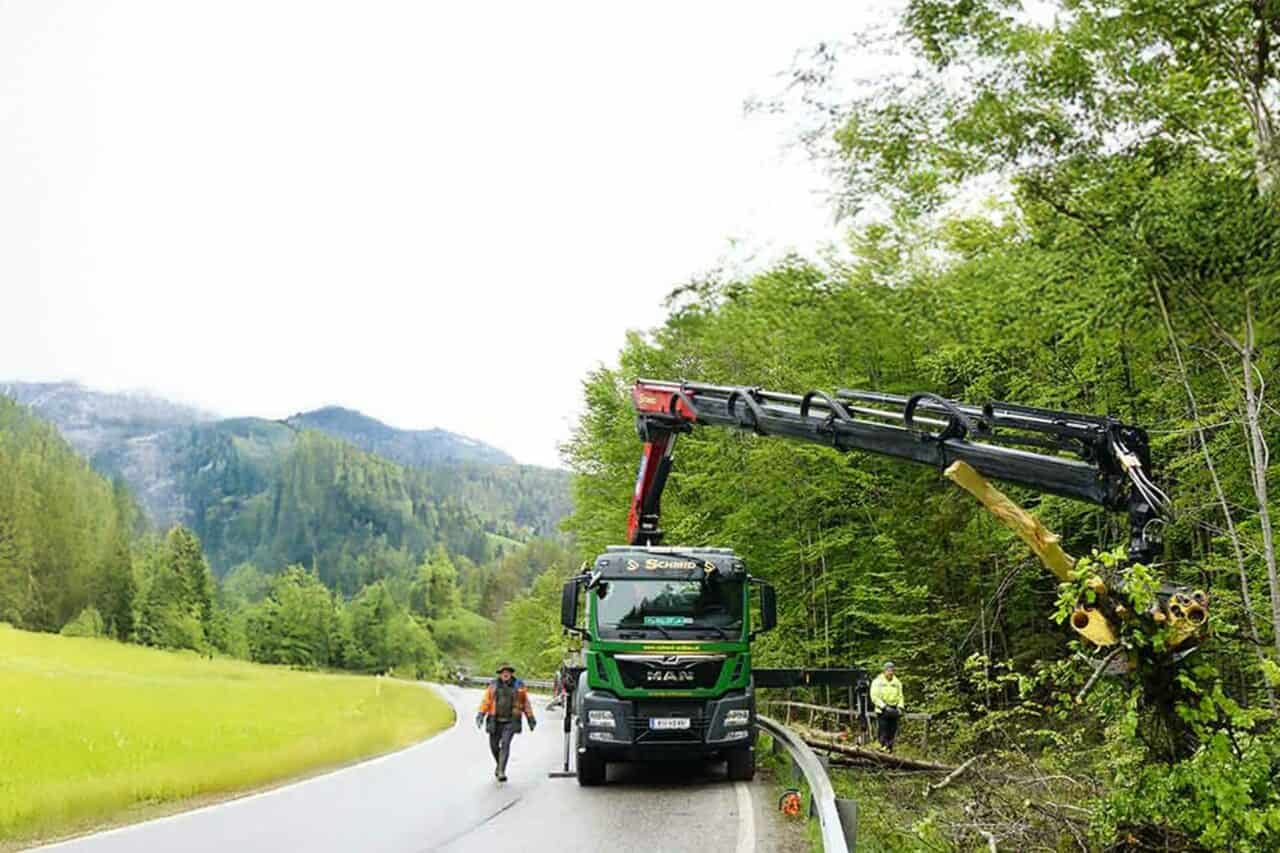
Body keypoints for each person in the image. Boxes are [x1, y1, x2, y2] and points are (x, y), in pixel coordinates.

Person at [475, 663, 537, 781]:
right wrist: (480, 714)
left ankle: (501, 771)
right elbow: (486, 701)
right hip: (495, 720)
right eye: (503, 672)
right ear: (500, 674)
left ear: (511, 673)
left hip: (511, 721)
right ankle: (499, 765)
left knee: (505, 744)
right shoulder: (493, 686)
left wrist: (530, 718)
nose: (505, 673)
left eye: (508, 672)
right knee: (493, 746)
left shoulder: (519, 686)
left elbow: (525, 703)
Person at [870, 661, 904, 752]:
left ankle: (889, 749)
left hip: (894, 708)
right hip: (882, 709)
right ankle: (882, 748)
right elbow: (874, 696)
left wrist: (900, 707)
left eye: (892, 670)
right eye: (888, 670)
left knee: (892, 731)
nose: (890, 672)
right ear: (884, 671)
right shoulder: (878, 681)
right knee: (883, 730)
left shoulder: (897, 682)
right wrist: (883, 706)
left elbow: (900, 696)